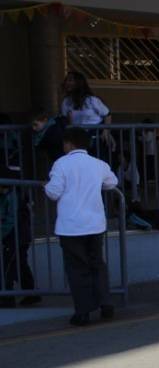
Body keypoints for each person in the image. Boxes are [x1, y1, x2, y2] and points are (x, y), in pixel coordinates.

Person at [44, 127, 118, 327]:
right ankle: (106, 304)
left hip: (71, 227)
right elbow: (112, 183)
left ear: (68, 143)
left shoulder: (61, 164)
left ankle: (83, 312)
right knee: (97, 264)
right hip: (95, 224)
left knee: (77, 269)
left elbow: (53, 192)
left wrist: (46, 186)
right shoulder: (98, 164)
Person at [0, 180, 39, 307]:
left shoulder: (12, 196)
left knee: (7, 267)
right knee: (19, 264)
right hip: (20, 235)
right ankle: (31, 294)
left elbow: (10, 220)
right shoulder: (17, 194)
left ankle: (7, 299)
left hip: (15, 236)